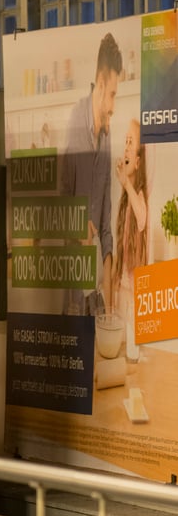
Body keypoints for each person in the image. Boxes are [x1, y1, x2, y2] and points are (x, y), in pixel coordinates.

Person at [58, 31, 122, 316]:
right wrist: (79, 223)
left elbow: (106, 223)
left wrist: (108, 295)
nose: (113, 106)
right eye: (112, 95)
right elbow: (59, 205)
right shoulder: (74, 124)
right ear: (101, 82)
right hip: (73, 282)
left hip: (96, 291)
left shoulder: (107, 138)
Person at [108, 118, 149, 359]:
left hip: (135, 294)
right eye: (125, 141)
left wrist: (127, 184)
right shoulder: (124, 200)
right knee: (121, 350)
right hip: (122, 287)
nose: (125, 146)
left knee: (133, 354)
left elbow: (142, 218)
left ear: (137, 161)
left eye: (130, 142)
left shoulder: (138, 194)